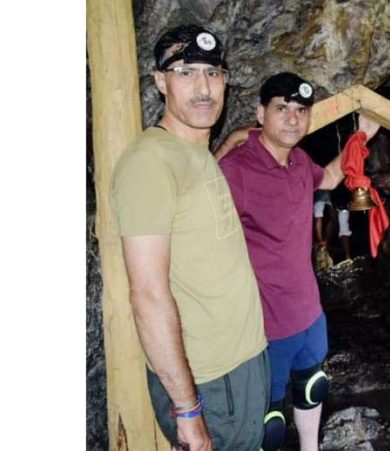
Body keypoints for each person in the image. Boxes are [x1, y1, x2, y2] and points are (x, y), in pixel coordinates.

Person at [111, 25, 269, 451]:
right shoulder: (149, 164)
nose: (203, 87)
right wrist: (187, 410)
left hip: (241, 365)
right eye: (185, 72)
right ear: (161, 82)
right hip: (210, 383)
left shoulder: (195, 153)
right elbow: (147, 294)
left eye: (212, 72)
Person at [218, 72, 379, 451]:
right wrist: (229, 141)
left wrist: (363, 135)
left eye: (301, 110)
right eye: (281, 108)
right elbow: (193, 218)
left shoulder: (300, 161)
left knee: (313, 386)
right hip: (264, 324)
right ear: (260, 114)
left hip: (308, 312)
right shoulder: (236, 170)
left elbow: (330, 177)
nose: (293, 118)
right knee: (269, 420)